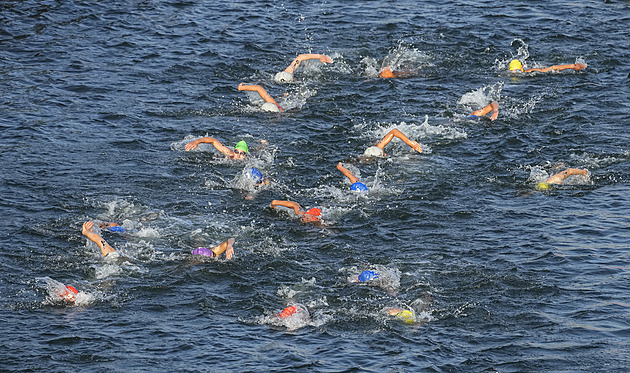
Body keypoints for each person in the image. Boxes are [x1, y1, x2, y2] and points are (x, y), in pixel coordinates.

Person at [508, 59, 586, 73]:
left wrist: (572, 66)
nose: (515, 73)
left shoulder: (530, 71)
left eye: (517, 71)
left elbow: (552, 68)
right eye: (513, 72)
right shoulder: (529, 72)